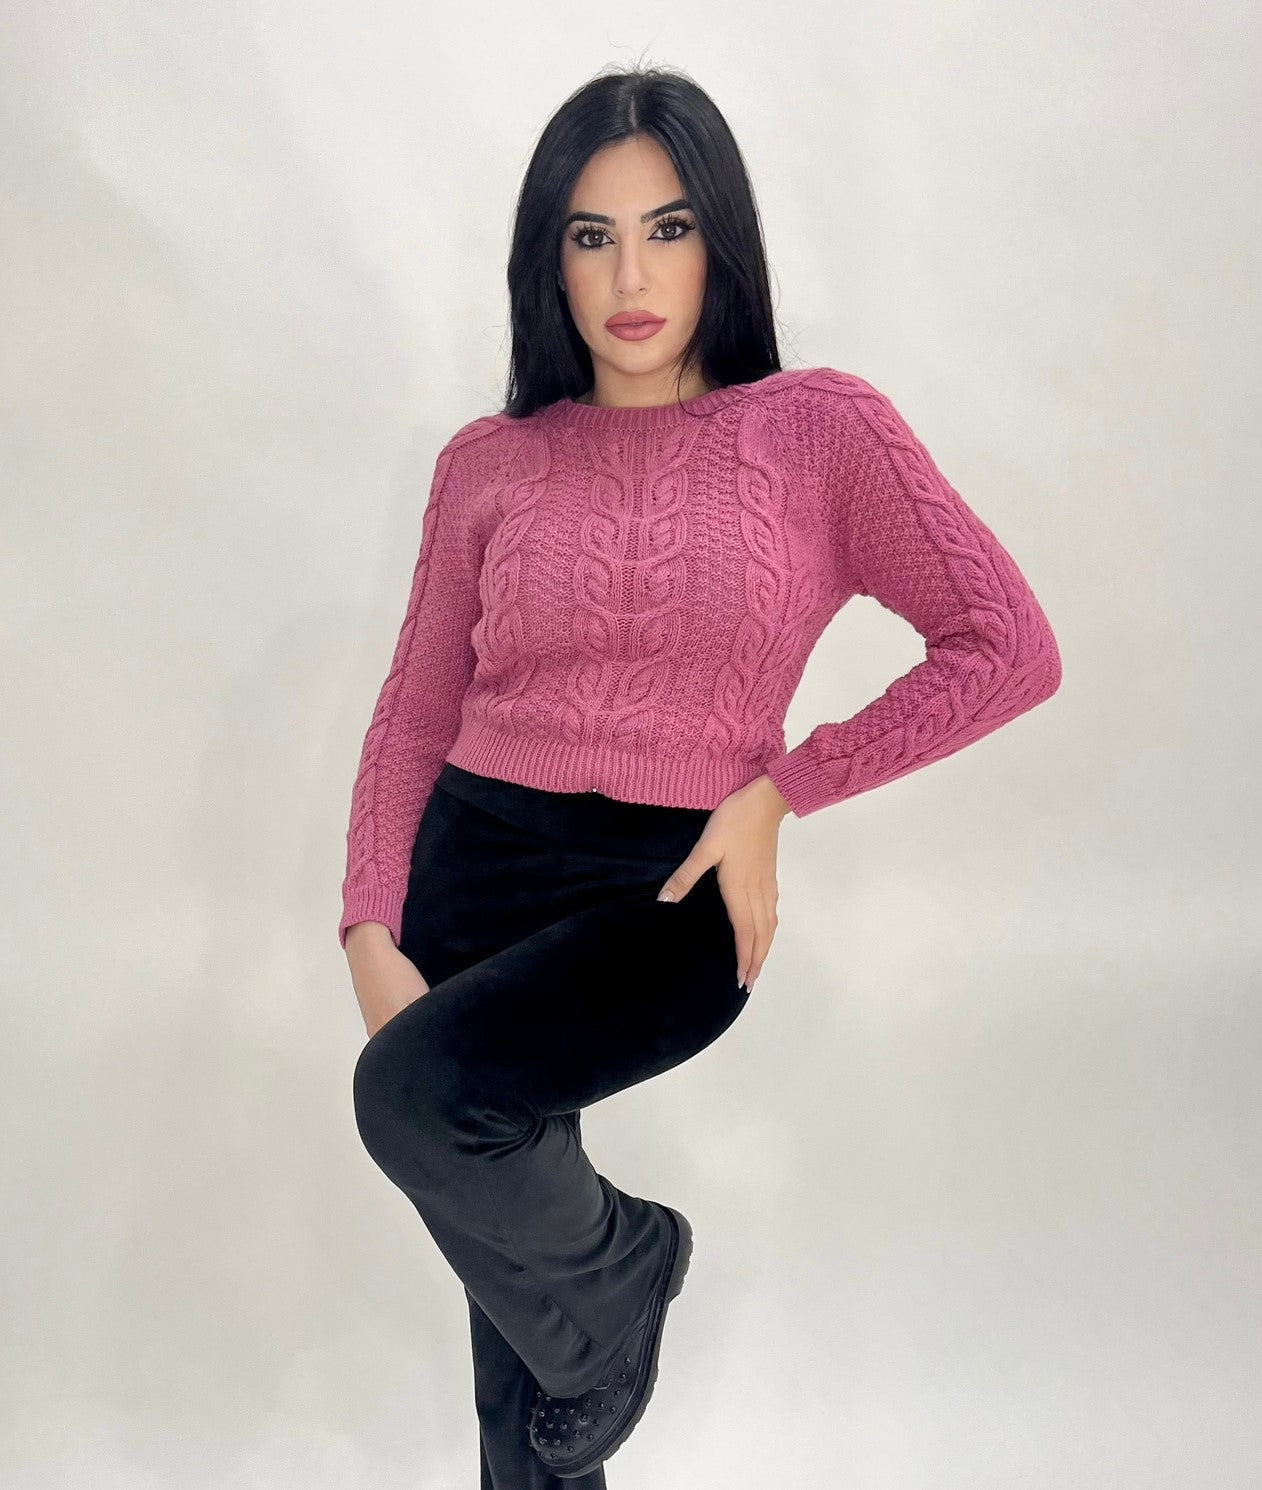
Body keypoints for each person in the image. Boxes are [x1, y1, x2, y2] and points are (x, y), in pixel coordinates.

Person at [339, 62, 1063, 1490]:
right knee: (529, 1356)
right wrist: (369, 919)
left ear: (720, 240)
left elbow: (1006, 645)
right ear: (547, 259)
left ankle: (634, 1259)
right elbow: (414, 710)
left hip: (673, 882)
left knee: (415, 1108)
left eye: (666, 228)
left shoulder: (817, 431)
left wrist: (784, 789)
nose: (630, 276)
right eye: (591, 235)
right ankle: (600, 1309)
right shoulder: (489, 461)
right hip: (472, 864)